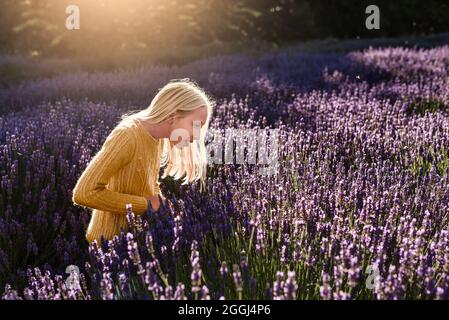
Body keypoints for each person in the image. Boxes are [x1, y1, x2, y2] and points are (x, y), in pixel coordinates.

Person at [72, 78, 213, 243]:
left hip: (136, 240)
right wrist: (145, 205)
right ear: (174, 115)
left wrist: (163, 206)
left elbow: (146, 184)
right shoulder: (128, 136)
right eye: (195, 125)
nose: (196, 135)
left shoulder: (158, 137)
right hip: (109, 241)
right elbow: (84, 193)